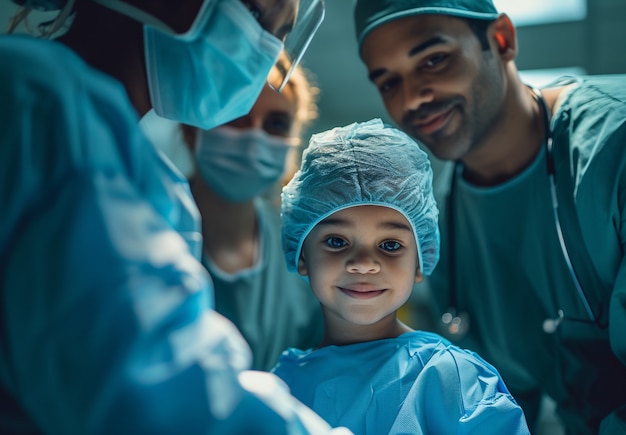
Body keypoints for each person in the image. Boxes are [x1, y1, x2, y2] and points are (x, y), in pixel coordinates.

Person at [0, 0, 355, 433]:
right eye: (260, 18)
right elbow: (154, 388)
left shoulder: (150, 178)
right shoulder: (42, 104)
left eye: (280, 37)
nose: (265, 55)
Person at [353, 0, 626, 433]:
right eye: (388, 82)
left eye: (434, 59)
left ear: (502, 40)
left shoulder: (614, 149)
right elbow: (494, 407)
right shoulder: (439, 229)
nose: (411, 99)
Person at [272, 118, 530, 435]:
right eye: (337, 242)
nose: (364, 264)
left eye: (390, 245)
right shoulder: (281, 387)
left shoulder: (451, 378)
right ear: (301, 255)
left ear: (421, 260)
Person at [177, 56, 324, 371]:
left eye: (275, 124)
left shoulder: (302, 255)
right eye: (236, 114)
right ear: (190, 129)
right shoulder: (149, 229)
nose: (255, 137)